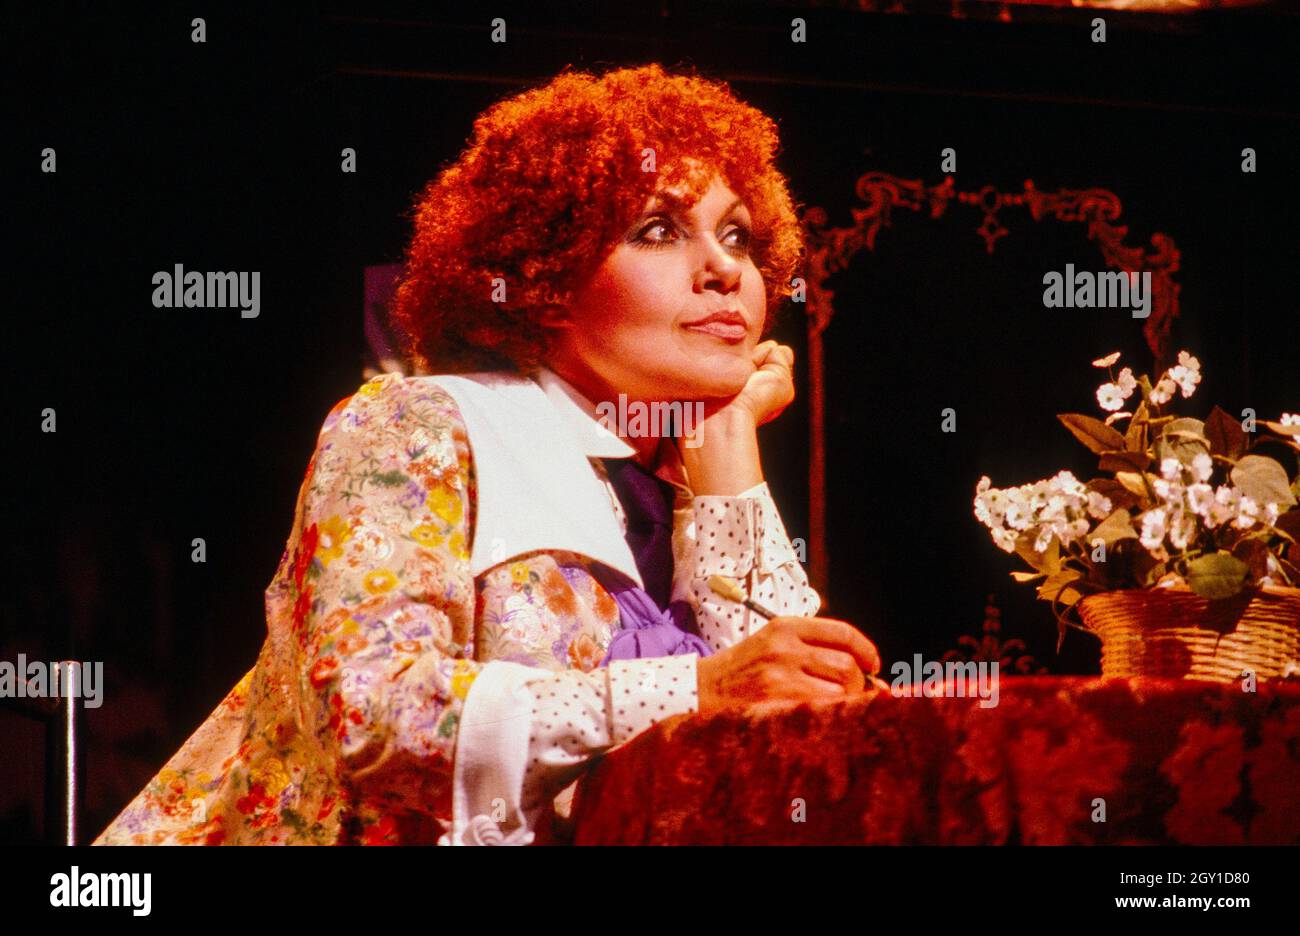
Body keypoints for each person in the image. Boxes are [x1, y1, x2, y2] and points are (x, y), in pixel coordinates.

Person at [93, 62, 881, 847]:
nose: (725, 269)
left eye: (737, 234)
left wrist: (731, 440)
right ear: (545, 276)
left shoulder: (688, 470)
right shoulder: (417, 425)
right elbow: (376, 718)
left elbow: (795, 732)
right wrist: (691, 690)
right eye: (658, 230)